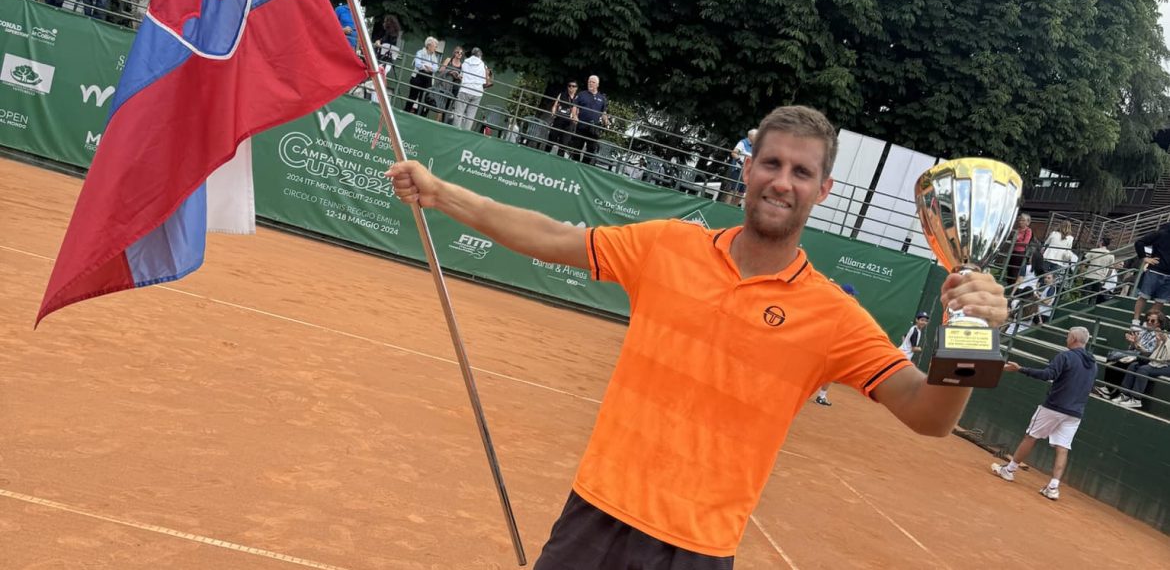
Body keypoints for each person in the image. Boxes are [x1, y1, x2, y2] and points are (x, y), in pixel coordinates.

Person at [388, 105, 1008, 567]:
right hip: (594, 515)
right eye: (771, 163)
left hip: (697, 550)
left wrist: (974, 337)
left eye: (801, 171)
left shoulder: (833, 315)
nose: (781, 181)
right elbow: (549, 235)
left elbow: (929, 416)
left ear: (823, 191)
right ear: (747, 168)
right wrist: (441, 194)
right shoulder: (666, 246)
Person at [990, 327, 1097, 501]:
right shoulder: (1093, 363)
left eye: (1068, 335)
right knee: (1063, 448)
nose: (1066, 338)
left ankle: (1009, 470)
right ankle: (1053, 487)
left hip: (1054, 407)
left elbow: (1047, 374)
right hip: (1075, 412)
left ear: (1075, 338)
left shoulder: (1066, 356)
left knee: (1031, 436)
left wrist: (1020, 369)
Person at [814, 282, 860, 406]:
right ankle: (820, 396)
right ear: (846, 294)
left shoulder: (834, 304)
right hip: (828, 343)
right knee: (826, 371)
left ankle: (820, 395)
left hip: (825, 342)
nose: (854, 297)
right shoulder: (844, 306)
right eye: (852, 294)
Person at [1113, 318, 1170, 410]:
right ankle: (1124, 395)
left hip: (1167, 366)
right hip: (1159, 362)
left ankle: (1136, 399)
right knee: (1134, 365)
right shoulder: (1162, 335)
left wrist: (1166, 340)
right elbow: (1154, 354)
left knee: (1144, 369)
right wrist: (1159, 342)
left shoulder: (1166, 337)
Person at [1131, 223, 1170, 328]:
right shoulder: (1161, 233)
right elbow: (1139, 242)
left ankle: (1149, 322)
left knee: (1160, 301)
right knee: (1144, 296)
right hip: (1155, 271)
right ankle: (1135, 320)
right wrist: (1144, 258)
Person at [570, 75, 609, 165]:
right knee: (577, 147)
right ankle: (574, 164)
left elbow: (604, 112)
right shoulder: (581, 94)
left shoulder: (602, 98)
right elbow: (575, 106)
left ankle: (584, 166)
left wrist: (606, 121)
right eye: (589, 82)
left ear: (597, 85)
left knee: (591, 149)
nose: (590, 83)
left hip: (593, 128)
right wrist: (574, 116)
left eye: (593, 82)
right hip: (581, 125)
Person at [452, 47, 489, 130]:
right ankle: (466, 132)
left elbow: (461, 76)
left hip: (465, 89)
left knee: (459, 112)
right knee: (471, 115)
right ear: (480, 55)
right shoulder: (483, 65)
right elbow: (484, 81)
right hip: (477, 92)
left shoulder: (466, 62)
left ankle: (455, 130)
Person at [405, 37, 440, 115]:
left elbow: (436, 68)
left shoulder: (434, 56)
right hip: (418, 77)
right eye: (435, 46)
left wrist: (427, 67)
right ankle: (406, 112)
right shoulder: (420, 52)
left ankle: (419, 115)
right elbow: (417, 64)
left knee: (423, 99)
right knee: (412, 96)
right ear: (429, 45)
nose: (436, 48)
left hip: (428, 79)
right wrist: (426, 67)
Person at [547, 81, 579, 154]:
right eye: (569, 86)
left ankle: (558, 162)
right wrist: (553, 112)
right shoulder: (562, 94)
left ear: (576, 88)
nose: (571, 87)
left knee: (564, 144)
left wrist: (575, 118)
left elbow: (577, 111)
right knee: (551, 139)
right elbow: (555, 105)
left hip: (569, 123)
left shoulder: (577, 98)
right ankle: (546, 154)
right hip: (559, 119)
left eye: (573, 86)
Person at [1080, 237, 1114, 304]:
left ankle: (1081, 310)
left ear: (1101, 242)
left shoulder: (1094, 250)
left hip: (1089, 276)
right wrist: (1105, 279)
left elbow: (1083, 263)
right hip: (1100, 278)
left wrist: (1081, 274)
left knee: (1085, 296)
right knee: (1094, 297)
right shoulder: (1111, 255)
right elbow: (1110, 269)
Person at [1006, 213, 1033, 282]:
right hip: (1013, 251)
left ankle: (1013, 286)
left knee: (1015, 270)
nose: (1021, 222)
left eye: (1023, 220)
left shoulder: (1028, 230)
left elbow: (1025, 242)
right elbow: (1011, 239)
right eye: (1020, 220)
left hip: (1020, 253)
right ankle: (1008, 284)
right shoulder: (1017, 229)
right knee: (1009, 268)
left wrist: (1015, 240)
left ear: (1028, 222)